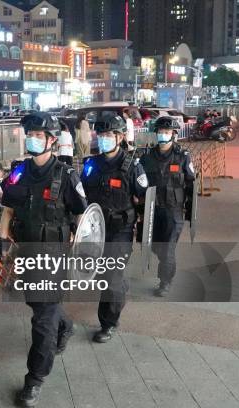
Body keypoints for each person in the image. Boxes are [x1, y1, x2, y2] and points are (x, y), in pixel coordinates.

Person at [0, 112, 87, 407]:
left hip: (54, 256)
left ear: (52, 140)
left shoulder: (67, 175)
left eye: (38, 135)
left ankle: (34, 379)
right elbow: (9, 207)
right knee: (38, 305)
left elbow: (83, 215)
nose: (32, 139)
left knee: (42, 320)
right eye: (30, 134)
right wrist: (1, 237)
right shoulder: (18, 172)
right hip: (26, 251)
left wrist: (77, 242)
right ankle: (66, 325)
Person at [80, 114, 148, 343]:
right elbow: (81, 198)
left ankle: (108, 323)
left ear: (120, 137)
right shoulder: (91, 165)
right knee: (103, 274)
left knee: (110, 277)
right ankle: (119, 289)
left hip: (121, 230)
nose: (104, 139)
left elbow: (145, 199)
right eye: (101, 135)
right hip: (96, 231)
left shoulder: (132, 167)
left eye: (109, 135)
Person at [139, 116, 195, 297]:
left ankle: (165, 282)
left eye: (167, 132)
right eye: (160, 132)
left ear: (174, 134)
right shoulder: (146, 157)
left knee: (168, 250)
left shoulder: (182, 157)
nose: (163, 135)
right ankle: (164, 265)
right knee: (155, 247)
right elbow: (139, 184)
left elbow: (192, 185)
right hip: (152, 211)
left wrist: (190, 214)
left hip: (173, 211)